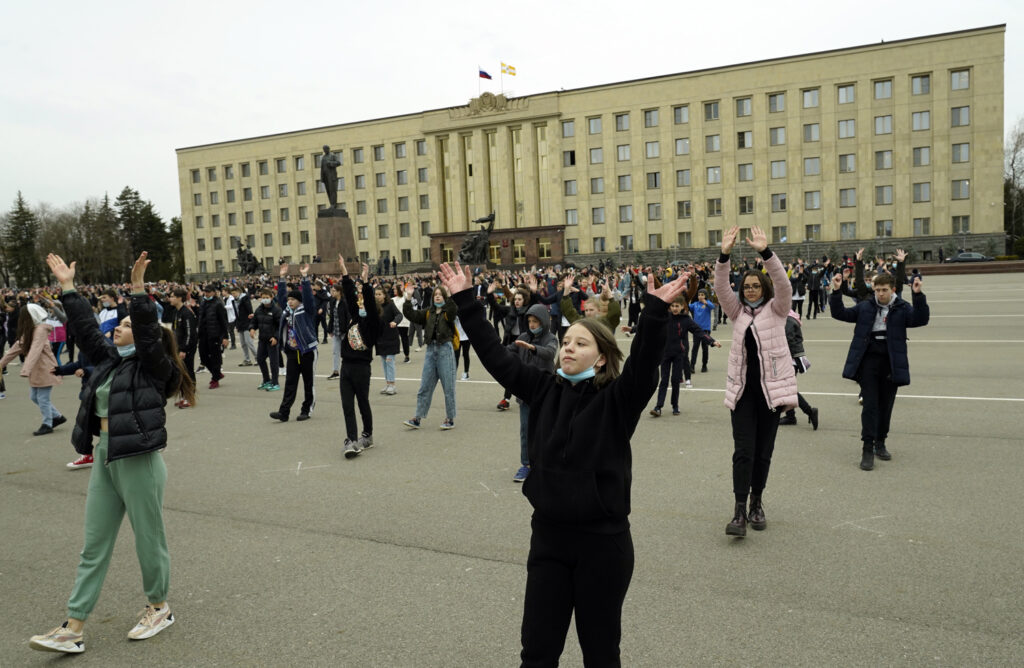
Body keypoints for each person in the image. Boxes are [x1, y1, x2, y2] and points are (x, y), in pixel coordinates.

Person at [441, 260, 690, 667]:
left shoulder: (618, 401)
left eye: (581, 343)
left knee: (600, 654)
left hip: (602, 544)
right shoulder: (542, 389)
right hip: (549, 540)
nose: (569, 347)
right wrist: (466, 301)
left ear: (603, 359)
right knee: (537, 652)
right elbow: (495, 357)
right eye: (567, 341)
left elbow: (645, 364)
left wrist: (654, 311)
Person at [29, 251, 195, 654]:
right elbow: (85, 329)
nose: (116, 329)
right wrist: (68, 288)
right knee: (93, 545)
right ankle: (73, 626)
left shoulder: (156, 369)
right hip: (105, 457)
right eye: (118, 324)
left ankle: (159, 606)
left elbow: (147, 333)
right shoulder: (108, 363)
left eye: (124, 326)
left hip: (140, 460)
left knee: (148, 540)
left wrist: (138, 293)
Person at [715, 226, 798, 538]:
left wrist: (766, 253)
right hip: (743, 396)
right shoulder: (737, 313)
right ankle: (738, 510)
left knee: (764, 453)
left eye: (755, 285)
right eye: (746, 286)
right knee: (743, 451)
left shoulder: (777, 310)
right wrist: (724, 255)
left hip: (770, 395)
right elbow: (721, 287)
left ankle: (757, 502)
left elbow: (784, 284)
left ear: (763, 286)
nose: (750, 290)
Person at [830, 271, 929, 470]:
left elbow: (921, 319)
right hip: (868, 361)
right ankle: (867, 448)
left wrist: (918, 295)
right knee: (870, 406)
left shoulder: (902, 308)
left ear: (892, 290)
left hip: (891, 362)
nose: (880, 294)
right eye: (877, 290)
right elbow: (840, 314)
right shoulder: (866, 306)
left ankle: (880, 442)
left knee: (886, 406)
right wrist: (836, 291)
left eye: (884, 290)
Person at [0, 303, 67, 435]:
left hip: (46, 369)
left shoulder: (40, 330)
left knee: (42, 398)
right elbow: (15, 349)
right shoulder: (31, 330)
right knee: (34, 397)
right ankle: (57, 417)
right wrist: (1, 363)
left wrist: (26, 369)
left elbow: (36, 349)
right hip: (37, 369)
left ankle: (48, 424)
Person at [647, 295, 719, 417]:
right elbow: (649, 327)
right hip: (665, 354)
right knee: (664, 380)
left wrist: (712, 341)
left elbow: (699, 332)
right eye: (672, 306)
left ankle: (675, 406)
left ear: (682, 307)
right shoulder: (665, 317)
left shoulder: (686, 320)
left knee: (675, 380)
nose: (675, 308)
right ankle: (658, 406)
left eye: (677, 306)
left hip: (678, 354)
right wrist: (633, 329)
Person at [337, 259, 380, 457]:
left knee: (362, 402)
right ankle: (352, 440)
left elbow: (369, 304)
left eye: (363, 299)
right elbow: (348, 295)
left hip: (362, 368)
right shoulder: (354, 317)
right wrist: (345, 274)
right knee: (347, 405)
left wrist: (365, 283)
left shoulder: (372, 323)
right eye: (359, 299)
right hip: (346, 367)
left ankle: (367, 435)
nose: (360, 302)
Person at [401, 285, 458, 430]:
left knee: (448, 387)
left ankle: (450, 418)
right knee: (425, 386)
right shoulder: (428, 312)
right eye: (435, 295)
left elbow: (453, 311)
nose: (437, 296)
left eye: (440, 295)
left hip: (445, 350)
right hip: (431, 350)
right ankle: (417, 418)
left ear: (444, 297)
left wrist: (450, 297)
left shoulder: (448, 311)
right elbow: (411, 315)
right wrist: (408, 298)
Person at [270, 263, 319, 421]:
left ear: (299, 301)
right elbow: (281, 297)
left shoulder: (307, 309)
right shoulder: (286, 311)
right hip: (292, 352)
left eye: (293, 300)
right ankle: (284, 412)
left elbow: (308, 296)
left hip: (307, 351)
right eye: (289, 300)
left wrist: (305, 278)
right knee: (290, 383)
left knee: (308, 383)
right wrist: (282, 278)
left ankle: (306, 410)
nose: (290, 302)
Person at [778, 309, 819, 429]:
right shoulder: (790, 317)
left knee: (787, 389)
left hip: (789, 360)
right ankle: (791, 416)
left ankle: (809, 411)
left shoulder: (787, 320)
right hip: (791, 359)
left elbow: (788, 340)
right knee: (786, 389)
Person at [168, 288, 197, 407]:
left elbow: (190, 333)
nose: (170, 299)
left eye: (172, 296)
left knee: (188, 372)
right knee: (181, 373)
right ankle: (184, 395)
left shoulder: (186, 313)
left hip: (186, 348)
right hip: (178, 347)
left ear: (180, 298)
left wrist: (184, 349)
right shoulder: (177, 312)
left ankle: (190, 397)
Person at [196, 285, 229, 390]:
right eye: (205, 292)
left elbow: (224, 321)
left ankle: (215, 378)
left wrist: (225, 337)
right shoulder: (203, 303)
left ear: (214, 293)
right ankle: (217, 373)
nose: (207, 294)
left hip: (214, 334)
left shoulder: (218, 304)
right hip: (203, 334)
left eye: (209, 292)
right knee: (203, 357)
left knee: (215, 358)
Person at [249, 288, 282, 391]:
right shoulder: (259, 309)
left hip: (272, 340)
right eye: (263, 298)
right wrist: (252, 328)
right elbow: (254, 321)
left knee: (273, 362)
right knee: (260, 359)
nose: (265, 300)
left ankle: (275, 382)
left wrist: (276, 337)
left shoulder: (276, 310)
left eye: (267, 298)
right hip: (262, 339)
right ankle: (266, 380)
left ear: (272, 298)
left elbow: (280, 326)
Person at [374, 284, 402, 396]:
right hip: (380, 338)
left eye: (379, 294)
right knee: (384, 362)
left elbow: (399, 315)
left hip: (391, 337)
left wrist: (395, 322)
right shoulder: (374, 307)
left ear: (385, 295)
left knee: (389, 361)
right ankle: (387, 384)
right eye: (376, 294)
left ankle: (392, 385)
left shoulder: (390, 305)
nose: (377, 296)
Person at [688, 290, 715, 372]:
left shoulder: (707, 304)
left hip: (705, 329)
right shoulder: (695, 304)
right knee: (695, 348)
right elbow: (687, 306)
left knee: (705, 348)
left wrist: (705, 302)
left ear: (705, 296)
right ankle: (692, 366)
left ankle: (704, 365)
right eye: (699, 295)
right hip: (696, 330)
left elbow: (712, 306)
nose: (700, 296)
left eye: (702, 295)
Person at [232, 286, 255, 366]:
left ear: (239, 292)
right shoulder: (233, 301)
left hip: (247, 323)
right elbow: (236, 314)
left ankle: (258, 358)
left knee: (249, 342)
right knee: (243, 344)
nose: (233, 295)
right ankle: (247, 359)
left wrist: (251, 324)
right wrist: (237, 325)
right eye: (232, 294)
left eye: (234, 293)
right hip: (240, 324)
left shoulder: (245, 299)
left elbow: (250, 311)